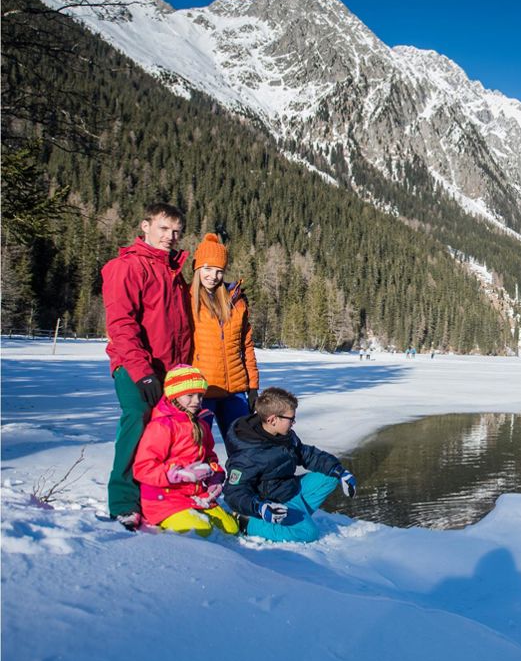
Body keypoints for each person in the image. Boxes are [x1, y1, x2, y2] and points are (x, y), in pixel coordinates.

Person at [101, 203, 191, 531]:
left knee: (164, 434)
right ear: (145, 226)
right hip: (135, 366)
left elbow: (180, 329)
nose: (171, 237)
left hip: (169, 369)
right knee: (136, 423)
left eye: (177, 231)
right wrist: (142, 372)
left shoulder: (173, 273)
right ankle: (123, 500)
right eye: (164, 229)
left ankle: (156, 495)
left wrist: (182, 372)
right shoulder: (127, 267)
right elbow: (121, 324)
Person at [223, 387, 357, 543]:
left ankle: (294, 515)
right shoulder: (248, 452)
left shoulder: (284, 435)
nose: (293, 423)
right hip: (270, 500)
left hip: (288, 488)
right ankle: (247, 523)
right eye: (290, 419)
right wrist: (259, 507)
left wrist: (340, 471)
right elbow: (233, 491)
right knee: (308, 533)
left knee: (331, 476)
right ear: (273, 420)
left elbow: (306, 454)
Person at [133, 366, 239, 537]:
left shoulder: (201, 424)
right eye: (189, 395)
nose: (196, 401)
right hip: (163, 499)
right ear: (174, 395)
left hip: (195, 495)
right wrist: (177, 475)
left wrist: (215, 477)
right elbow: (142, 468)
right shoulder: (162, 426)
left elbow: (209, 456)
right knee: (200, 531)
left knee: (231, 529)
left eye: (200, 395)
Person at [189, 233, 259, 441]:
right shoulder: (187, 301)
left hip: (235, 392)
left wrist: (253, 387)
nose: (213, 276)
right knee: (197, 450)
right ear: (197, 268)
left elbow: (246, 346)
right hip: (201, 392)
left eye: (219, 271)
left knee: (244, 451)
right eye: (207, 269)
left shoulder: (236, 302)